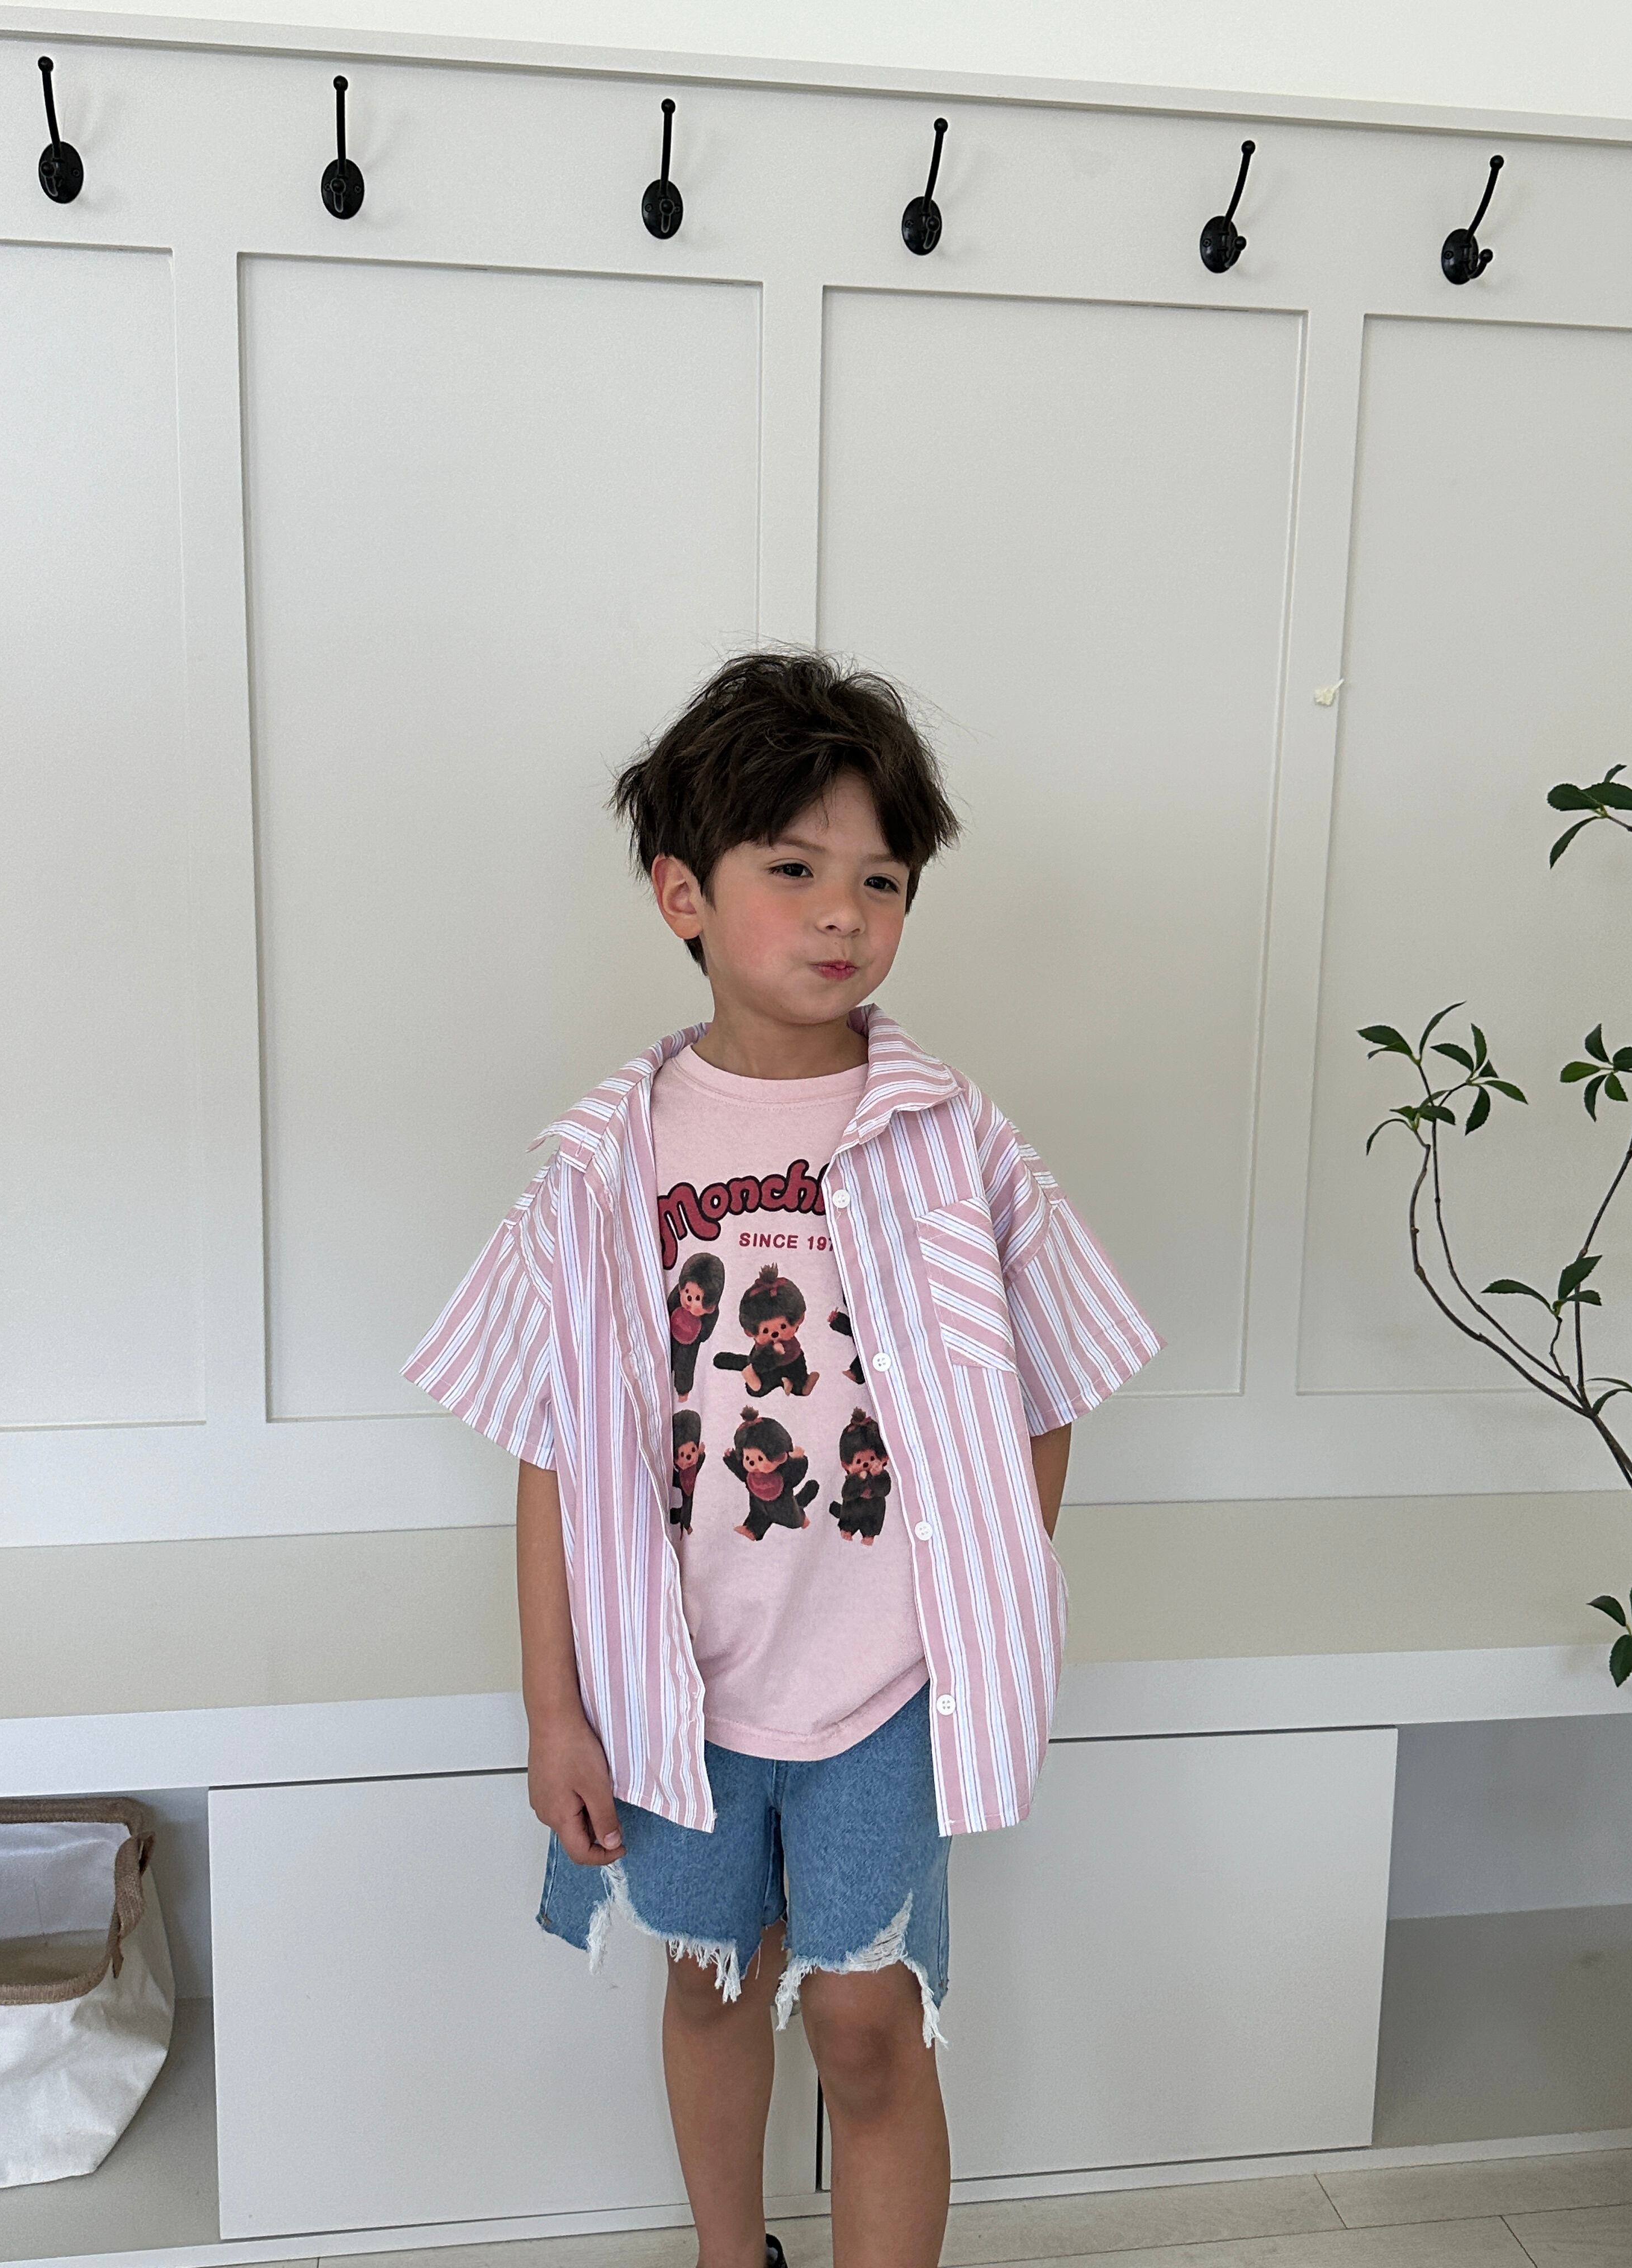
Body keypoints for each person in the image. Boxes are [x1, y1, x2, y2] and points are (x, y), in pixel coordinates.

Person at [402, 650, 1161, 2268]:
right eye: (795, 870)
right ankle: (726, 2253)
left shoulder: (952, 1138)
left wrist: (980, 1605)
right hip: (673, 1680)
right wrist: (555, 1708)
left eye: (880, 880)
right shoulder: (602, 1164)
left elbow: (1052, 1378)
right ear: (684, 893)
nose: (844, 915)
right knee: (711, 1977)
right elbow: (553, 1454)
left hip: (881, 1685)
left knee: (869, 2022)